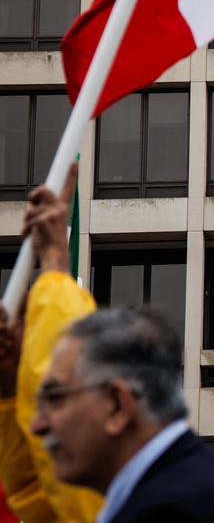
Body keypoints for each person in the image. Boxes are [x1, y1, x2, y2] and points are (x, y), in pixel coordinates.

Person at [30, 305, 214, 522]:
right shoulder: (188, 489)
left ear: (116, 404)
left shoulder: (174, 511)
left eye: (55, 398)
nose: (37, 425)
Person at [0, 164, 102, 522]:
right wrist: (11, 388)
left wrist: (56, 266)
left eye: (53, 399)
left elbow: (73, 506)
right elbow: (36, 501)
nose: (41, 425)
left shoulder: (177, 498)